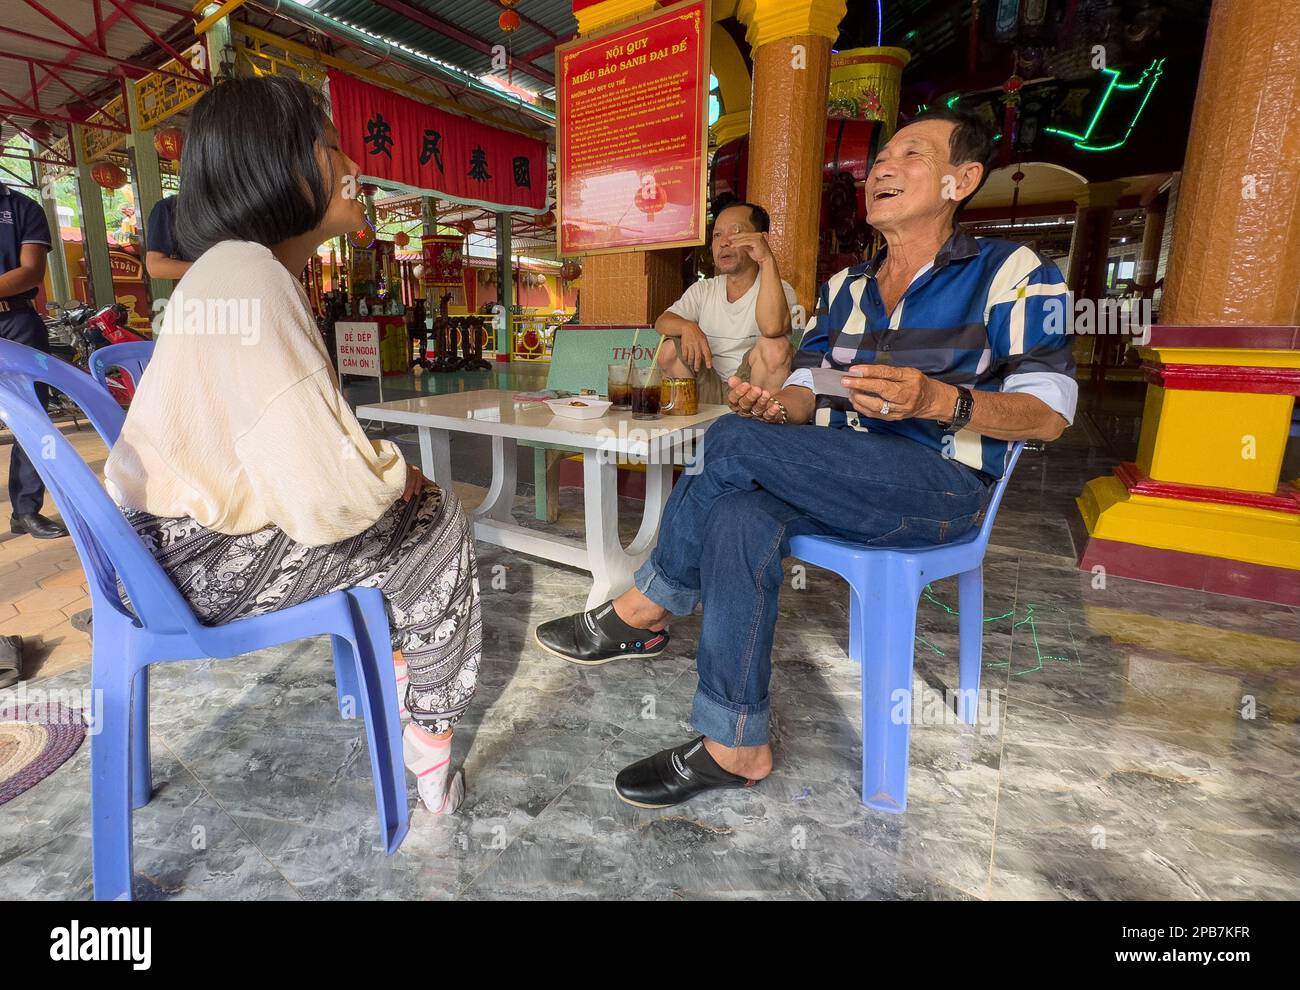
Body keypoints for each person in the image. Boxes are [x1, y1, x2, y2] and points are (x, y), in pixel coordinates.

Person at [535, 106, 1077, 808]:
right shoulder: (848, 288)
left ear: (960, 180)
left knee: (725, 442)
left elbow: (1052, 412)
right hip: (841, 470)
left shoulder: (1014, 272)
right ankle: (736, 744)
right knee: (734, 511)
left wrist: (940, 402)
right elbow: (803, 387)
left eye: (911, 154)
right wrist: (776, 410)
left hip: (940, 485)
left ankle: (645, 608)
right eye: (881, 157)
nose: (883, 167)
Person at [104, 76, 482, 816]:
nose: (355, 167)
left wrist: (372, 473)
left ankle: (407, 667)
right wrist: (393, 477)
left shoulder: (229, 272)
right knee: (432, 519)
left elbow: (290, 447)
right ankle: (431, 750)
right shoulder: (251, 275)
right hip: (194, 567)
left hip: (150, 554)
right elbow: (324, 495)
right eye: (334, 146)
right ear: (277, 163)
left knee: (397, 507)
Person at [654, 200, 797, 400]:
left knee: (776, 347)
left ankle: (755, 428)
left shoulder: (779, 290)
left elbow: (772, 329)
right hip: (706, 387)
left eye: (736, 233)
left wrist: (766, 259)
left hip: (749, 390)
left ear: (762, 239)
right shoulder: (704, 290)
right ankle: (687, 426)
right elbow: (662, 321)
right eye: (717, 235)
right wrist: (688, 327)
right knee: (669, 348)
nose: (724, 242)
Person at [0, 182, 67, 541]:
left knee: (33, 419)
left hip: (16, 322)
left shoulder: (22, 207)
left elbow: (30, 270)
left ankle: (26, 510)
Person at [144, 194, 195, 281]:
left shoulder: (224, 207)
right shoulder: (169, 207)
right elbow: (155, 267)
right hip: (195, 287)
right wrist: (210, 269)